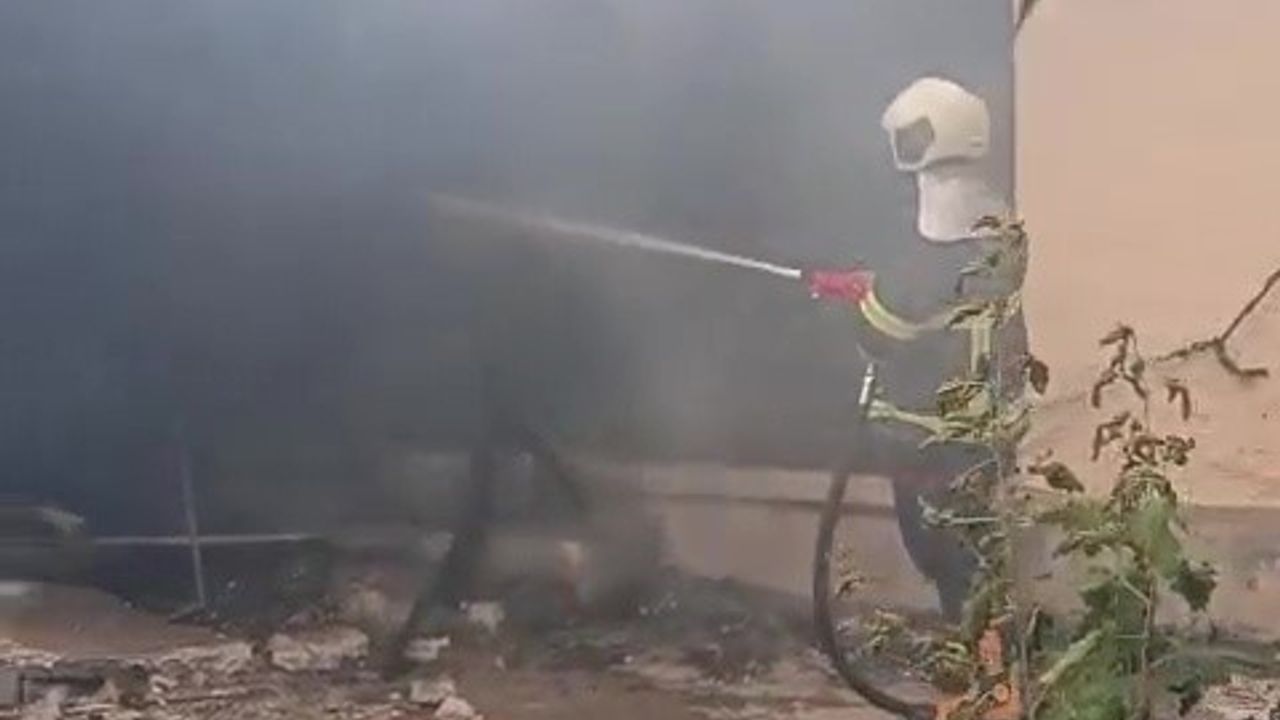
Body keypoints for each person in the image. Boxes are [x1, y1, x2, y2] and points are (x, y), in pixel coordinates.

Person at [806, 77, 1028, 621]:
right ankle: (986, 657)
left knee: (949, 562)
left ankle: (983, 665)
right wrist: (874, 287)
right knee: (972, 563)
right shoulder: (998, 231)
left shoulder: (933, 256)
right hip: (980, 434)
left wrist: (855, 300)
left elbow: (883, 329)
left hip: (930, 441)